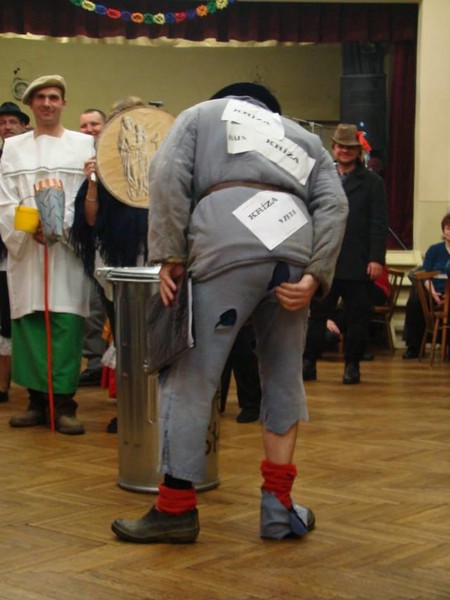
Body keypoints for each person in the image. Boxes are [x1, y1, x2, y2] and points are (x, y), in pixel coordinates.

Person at [111, 82, 348, 544]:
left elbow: (166, 173)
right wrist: (316, 275)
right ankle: (279, 509)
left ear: (227, 100)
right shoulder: (304, 138)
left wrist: (169, 254)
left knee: (191, 376)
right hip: (293, 252)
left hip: (225, 246)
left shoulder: (202, 115)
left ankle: (175, 509)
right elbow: (335, 204)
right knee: (284, 378)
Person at [0, 75, 94, 434]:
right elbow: (5, 197)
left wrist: (58, 226)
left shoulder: (83, 144)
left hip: (67, 250)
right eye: (40, 98)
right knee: (30, 324)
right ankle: (37, 402)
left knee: (66, 323)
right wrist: (31, 227)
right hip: (27, 248)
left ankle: (64, 404)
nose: (47, 103)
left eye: (54, 97)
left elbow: (86, 194)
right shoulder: (13, 147)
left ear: (63, 103)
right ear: (31, 105)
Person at [71, 97, 149, 433]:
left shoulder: (162, 162)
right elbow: (89, 221)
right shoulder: (103, 165)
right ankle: (130, 410)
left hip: (156, 264)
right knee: (124, 339)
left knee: (155, 338)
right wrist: (92, 181)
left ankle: (155, 407)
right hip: (115, 266)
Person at [303, 124, 388, 385]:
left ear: (358, 151)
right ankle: (308, 363)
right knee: (317, 315)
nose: (344, 151)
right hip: (324, 259)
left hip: (358, 260)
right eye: (340, 146)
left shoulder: (373, 182)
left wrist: (376, 258)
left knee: (358, 318)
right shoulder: (321, 177)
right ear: (333, 148)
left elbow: (378, 223)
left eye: (350, 147)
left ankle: (352, 366)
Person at [0, 101, 30, 402]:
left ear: (23, 125)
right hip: (4, 248)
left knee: (17, 316)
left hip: (26, 245)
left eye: (12, 122)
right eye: (2, 123)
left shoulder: (30, 159)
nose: (7, 127)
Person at [78, 108, 108, 387]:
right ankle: (96, 364)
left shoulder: (114, 156)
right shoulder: (77, 158)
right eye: (84, 125)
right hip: (87, 245)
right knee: (93, 308)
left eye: (94, 124)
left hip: (119, 245)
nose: (89, 129)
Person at [402, 213, 450, 359]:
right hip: (433, 291)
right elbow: (425, 275)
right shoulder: (434, 250)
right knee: (415, 301)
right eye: (448, 228)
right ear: (443, 231)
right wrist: (433, 293)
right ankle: (414, 347)